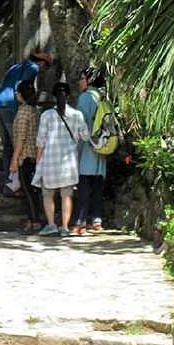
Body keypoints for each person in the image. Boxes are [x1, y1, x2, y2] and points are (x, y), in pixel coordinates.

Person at [32, 82, 90, 237]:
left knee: (48, 194)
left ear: (53, 97)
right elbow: (86, 135)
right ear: (69, 96)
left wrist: (38, 161)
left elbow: (40, 141)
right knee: (66, 194)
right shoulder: (76, 115)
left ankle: (51, 225)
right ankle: (64, 227)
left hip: (49, 160)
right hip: (68, 162)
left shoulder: (46, 115)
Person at [0, 52, 51, 195]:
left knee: (7, 148)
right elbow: (22, 86)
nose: (42, 70)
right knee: (17, 146)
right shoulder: (33, 68)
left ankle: (9, 183)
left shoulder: (16, 66)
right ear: (42, 63)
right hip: (11, 106)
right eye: (45, 67)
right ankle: (19, 185)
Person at [72, 68, 108, 235]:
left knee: (84, 186)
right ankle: (97, 220)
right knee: (98, 185)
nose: (80, 82)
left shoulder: (85, 98)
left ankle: (81, 221)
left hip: (87, 148)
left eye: (82, 78)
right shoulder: (103, 98)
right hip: (102, 147)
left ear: (90, 80)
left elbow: (80, 124)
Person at [10, 81, 42, 234]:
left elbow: (21, 138)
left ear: (21, 95)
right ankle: (32, 219)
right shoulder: (35, 110)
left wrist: (14, 159)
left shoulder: (23, 112)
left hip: (25, 155)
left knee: (28, 190)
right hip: (35, 154)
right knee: (33, 190)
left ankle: (34, 221)